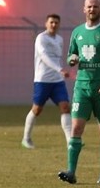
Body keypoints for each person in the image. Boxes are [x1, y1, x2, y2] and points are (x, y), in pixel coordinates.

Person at [57, 0, 100, 185]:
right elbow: (72, 54)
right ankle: (71, 171)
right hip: (82, 88)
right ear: (84, 9)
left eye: (95, 6)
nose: (92, 9)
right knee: (77, 128)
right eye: (89, 6)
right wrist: (72, 59)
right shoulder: (77, 32)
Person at [22, 13, 72, 149]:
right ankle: (26, 138)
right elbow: (44, 57)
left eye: (56, 22)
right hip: (42, 80)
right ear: (46, 24)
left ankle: (70, 142)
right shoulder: (41, 38)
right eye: (51, 22)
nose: (54, 25)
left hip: (58, 81)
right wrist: (60, 69)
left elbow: (58, 58)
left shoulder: (60, 39)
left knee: (66, 107)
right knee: (37, 109)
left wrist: (65, 66)